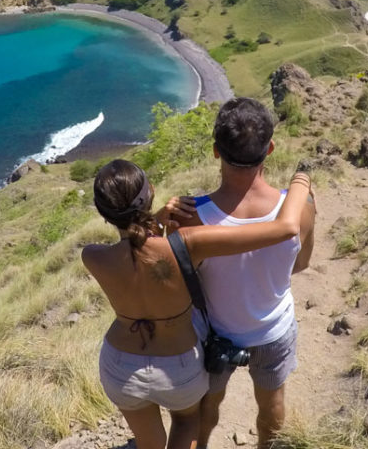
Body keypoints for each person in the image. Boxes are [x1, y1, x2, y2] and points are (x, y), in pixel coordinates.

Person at [83, 158, 313, 449]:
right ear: (151, 189)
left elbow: (135, 247)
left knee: (148, 444)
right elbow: (285, 227)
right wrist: (302, 179)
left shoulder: (92, 256)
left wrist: (154, 219)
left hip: (119, 365)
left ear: (104, 213)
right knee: (185, 422)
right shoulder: (188, 243)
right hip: (177, 365)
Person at [161, 97, 316, 449]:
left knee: (207, 405)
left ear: (216, 151)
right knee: (272, 403)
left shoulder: (189, 214)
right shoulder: (300, 207)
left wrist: (161, 219)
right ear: (270, 149)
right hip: (274, 329)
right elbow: (303, 264)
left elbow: (173, 277)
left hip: (218, 334)